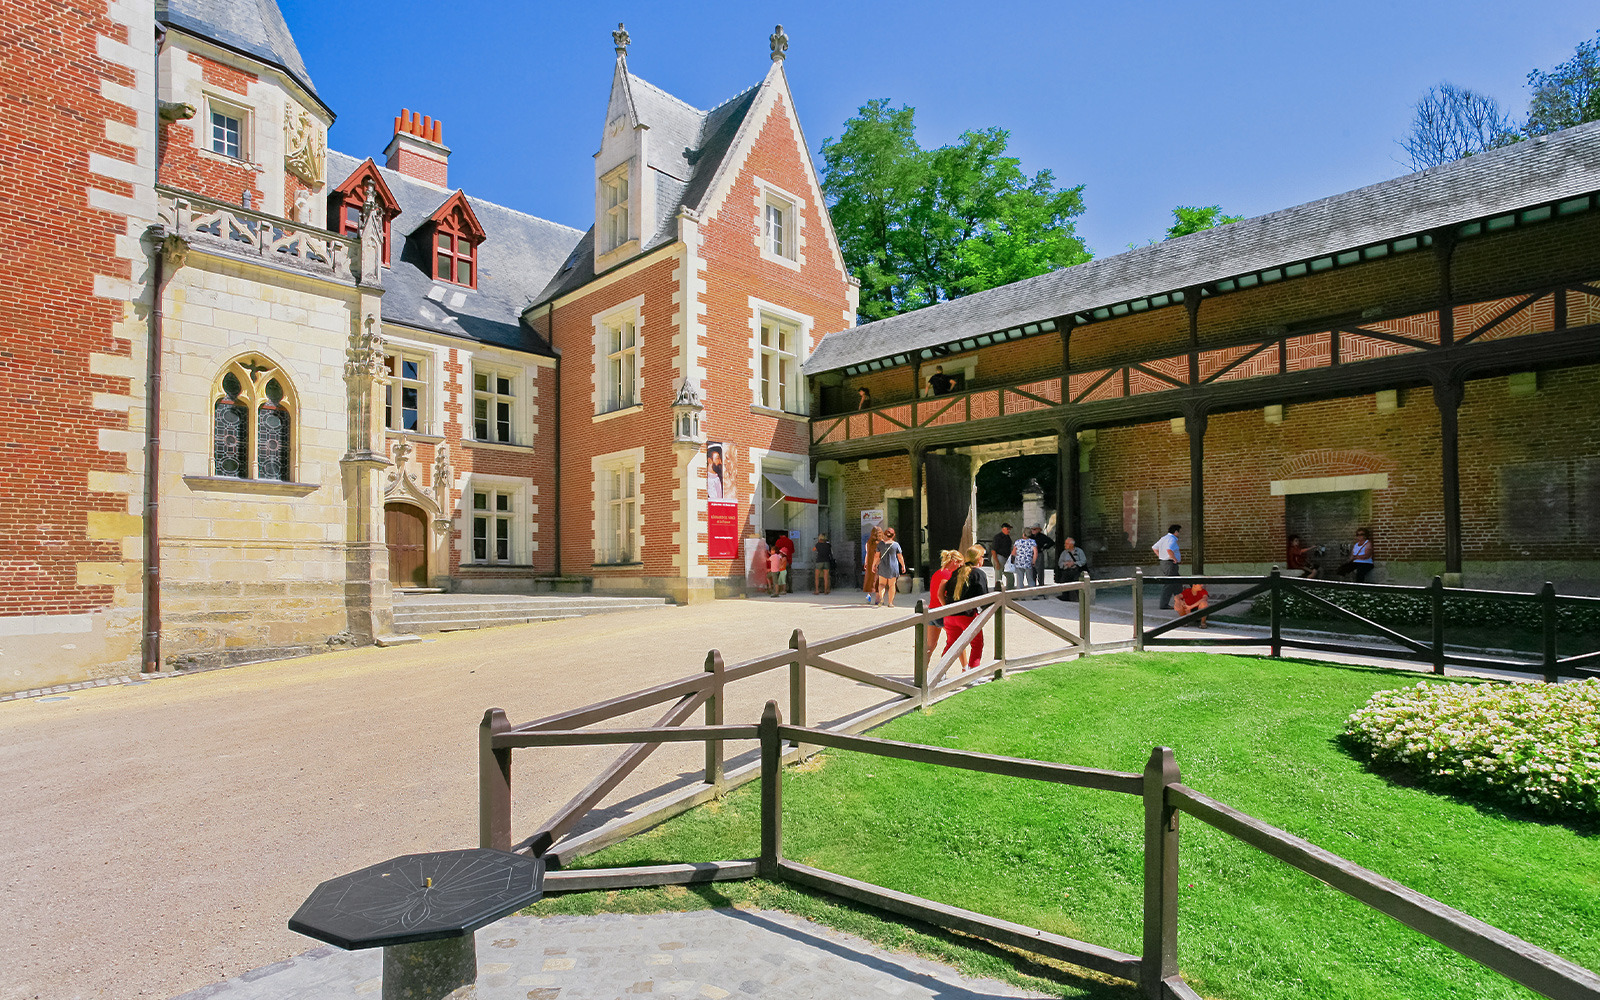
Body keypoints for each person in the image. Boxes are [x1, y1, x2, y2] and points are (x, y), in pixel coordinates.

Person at [941, 545, 989, 668]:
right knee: (977, 644)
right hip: (968, 615)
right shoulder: (979, 573)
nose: (984, 559)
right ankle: (973, 672)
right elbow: (984, 597)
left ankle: (940, 673)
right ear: (978, 558)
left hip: (950, 615)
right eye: (983, 556)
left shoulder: (957, 572)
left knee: (951, 644)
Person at [925, 549, 963, 669]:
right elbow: (940, 594)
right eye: (960, 564)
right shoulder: (949, 575)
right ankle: (965, 667)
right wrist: (947, 609)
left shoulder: (938, 572)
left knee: (930, 646)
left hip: (932, 610)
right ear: (955, 561)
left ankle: (922, 672)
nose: (960, 567)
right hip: (942, 612)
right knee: (958, 641)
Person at [1153, 524, 1182, 609]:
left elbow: (1154, 548)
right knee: (1170, 583)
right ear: (1176, 532)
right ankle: (1164, 604)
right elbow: (1169, 549)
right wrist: (1174, 559)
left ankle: (1180, 601)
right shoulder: (1172, 539)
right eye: (1179, 532)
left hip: (1165, 562)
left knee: (1177, 582)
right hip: (1170, 563)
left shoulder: (1164, 538)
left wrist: (1160, 556)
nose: (1179, 534)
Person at [875, 527, 905, 608]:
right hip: (893, 567)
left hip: (883, 566)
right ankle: (890, 603)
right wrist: (903, 565)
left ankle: (881, 598)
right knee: (892, 585)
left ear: (885, 535)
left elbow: (877, 556)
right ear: (893, 535)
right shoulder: (896, 545)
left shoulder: (880, 544)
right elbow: (900, 557)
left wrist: (874, 565)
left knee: (881, 584)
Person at [1056, 536, 1089, 601]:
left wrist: (1074, 563)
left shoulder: (1079, 551)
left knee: (1077, 582)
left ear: (1071, 544)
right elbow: (1060, 563)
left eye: (1067, 543)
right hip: (1067, 571)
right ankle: (1065, 596)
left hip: (1076, 570)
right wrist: (1066, 564)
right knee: (1064, 581)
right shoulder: (1064, 553)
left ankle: (1081, 598)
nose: (1065, 545)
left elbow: (1083, 561)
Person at [1024, 525, 1054, 590]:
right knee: (1031, 572)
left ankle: (1041, 587)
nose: (1033, 531)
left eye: (1034, 529)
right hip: (1030, 555)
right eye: (1032, 529)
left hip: (1039, 554)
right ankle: (1033, 588)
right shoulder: (1030, 537)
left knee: (1040, 572)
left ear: (1038, 530)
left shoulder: (1042, 537)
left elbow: (1051, 542)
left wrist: (1044, 547)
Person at [1008, 530, 1037, 596]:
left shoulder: (1018, 542)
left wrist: (1013, 560)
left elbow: (1013, 553)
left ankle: (1020, 595)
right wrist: (1033, 561)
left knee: (1020, 579)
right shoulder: (1033, 542)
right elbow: (1035, 553)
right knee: (1030, 579)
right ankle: (1033, 594)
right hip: (1028, 562)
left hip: (1019, 562)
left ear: (1023, 534)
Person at [863, 524, 882, 604]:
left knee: (869, 580)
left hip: (870, 563)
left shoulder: (868, 543)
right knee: (878, 581)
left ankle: (868, 597)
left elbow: (867, 554)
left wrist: (866, 562)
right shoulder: (881, 543)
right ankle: (877, 600)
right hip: (879, 563)